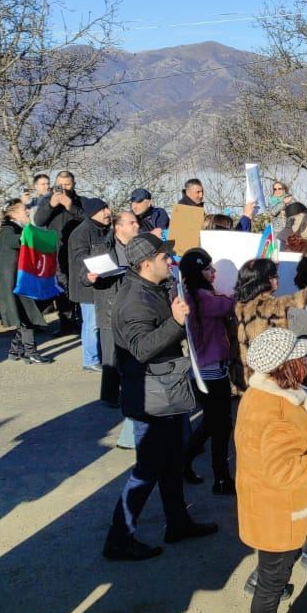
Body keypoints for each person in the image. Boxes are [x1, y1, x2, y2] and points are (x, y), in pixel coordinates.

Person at [104, 233, 218, 561]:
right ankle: (118, 537)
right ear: (145, 264)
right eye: (163, 257)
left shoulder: (151, 287)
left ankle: (177, 522)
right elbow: (141, 349)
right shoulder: (134, 300)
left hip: (164, 390)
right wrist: (175, 321)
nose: (170, 260)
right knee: (148, 468)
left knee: (169, 462)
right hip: (151, 396)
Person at [234, 328, 307, 613]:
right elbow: (280, 471)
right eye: (301, 356)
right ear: (287, 366)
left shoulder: (268, 391)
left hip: (288, 507)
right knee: (271, 582)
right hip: (284, 513)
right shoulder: (274, 409)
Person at [178, 248, 238, 496]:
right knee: (220, 425)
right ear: (196, 273)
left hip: (209, 368)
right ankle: (221, 478)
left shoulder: (194, 294)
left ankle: (186, 462)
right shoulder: (201, 297)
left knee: (214, 424)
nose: (213, 273)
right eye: (208, 269)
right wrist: (236, 293)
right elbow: (226, 306)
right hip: (209, 371)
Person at [234, 258, 307, 380]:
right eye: (273, 276)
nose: (277, 279)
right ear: (262, 280)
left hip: (249, 377)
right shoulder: (269, 307)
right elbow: (300, 301)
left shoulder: (240, 307)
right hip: (271, 377)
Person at [0, 200, 51, 364]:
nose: (27, 212)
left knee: (29, 313)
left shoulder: (17, 227)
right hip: (17, 283)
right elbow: (15, 240)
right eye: (23, 209)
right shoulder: (7, 229)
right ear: (12, 213)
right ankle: (30, 352)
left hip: (22, 280)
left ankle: (15, 349)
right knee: (28, 314)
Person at [96, 210, 140, 408]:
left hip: (132, 306)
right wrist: (89, 278)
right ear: (119, 227)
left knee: (131, 353)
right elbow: (83, 275)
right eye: (132, 223)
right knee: (111, 355)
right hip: (110, 307)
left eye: (136, 222)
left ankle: (129, 391)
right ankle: (109, 396)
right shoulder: (104, 247)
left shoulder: (138, 246)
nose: (136, 226)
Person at [34, 170, 85, 333]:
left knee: (80, 286)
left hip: (78, 251)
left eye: (67, 184)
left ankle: (82, 322)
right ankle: (66, 324)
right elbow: (38, 220)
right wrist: (51, 205)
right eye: (60, 185)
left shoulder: (81, 201)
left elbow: (88, 219)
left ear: (74, 184)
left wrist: (70, 205)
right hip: (57, 251)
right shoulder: (48, 201)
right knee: (62, 288)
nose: (63, 188)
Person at [69, 197, 113, 372]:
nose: (108, 213)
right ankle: (90, 360)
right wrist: (100, 264)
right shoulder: (82, 232)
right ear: (93, 212)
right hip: (86, 286)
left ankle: (100, 355)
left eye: (107, 208)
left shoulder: (104, 230)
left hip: (101, 283)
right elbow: (80, 257)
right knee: (91, 323)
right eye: (103, 210)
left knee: (100, 322)